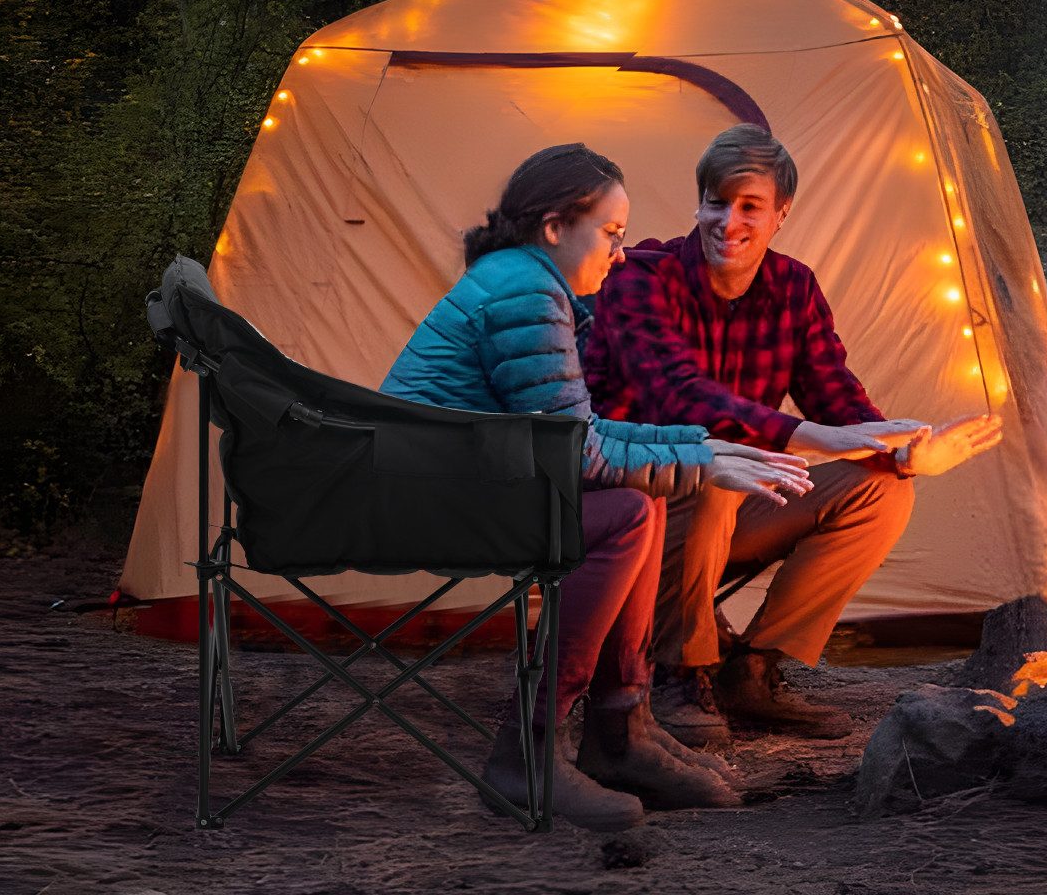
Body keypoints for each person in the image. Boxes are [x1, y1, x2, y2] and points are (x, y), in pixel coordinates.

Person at [380, 142, 812, 830]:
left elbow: (575, 431)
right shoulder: (524, 291)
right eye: (610, 235)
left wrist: (703, 445)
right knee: (625, 515)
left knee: (633, 505)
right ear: (555, 227)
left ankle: (621, 731)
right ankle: (533, 750)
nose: (619, 254)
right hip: (432, 499)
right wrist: (703, 464)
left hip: (458, 482)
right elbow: (575, 452)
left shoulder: (525, 281)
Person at [582, 124, 1003, 745]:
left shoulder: (793, 288)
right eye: (716, 202)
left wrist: (904, 452)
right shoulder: (641, 278)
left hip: (729, 503)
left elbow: (838, 399)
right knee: (715, 464)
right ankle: (682, 673)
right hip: (628, 501)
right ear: (697, 203)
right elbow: (679, 397)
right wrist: (814, 437)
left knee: (880, 488)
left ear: (781, 214)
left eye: (750, 206)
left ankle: (753, 670)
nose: (729, 222)